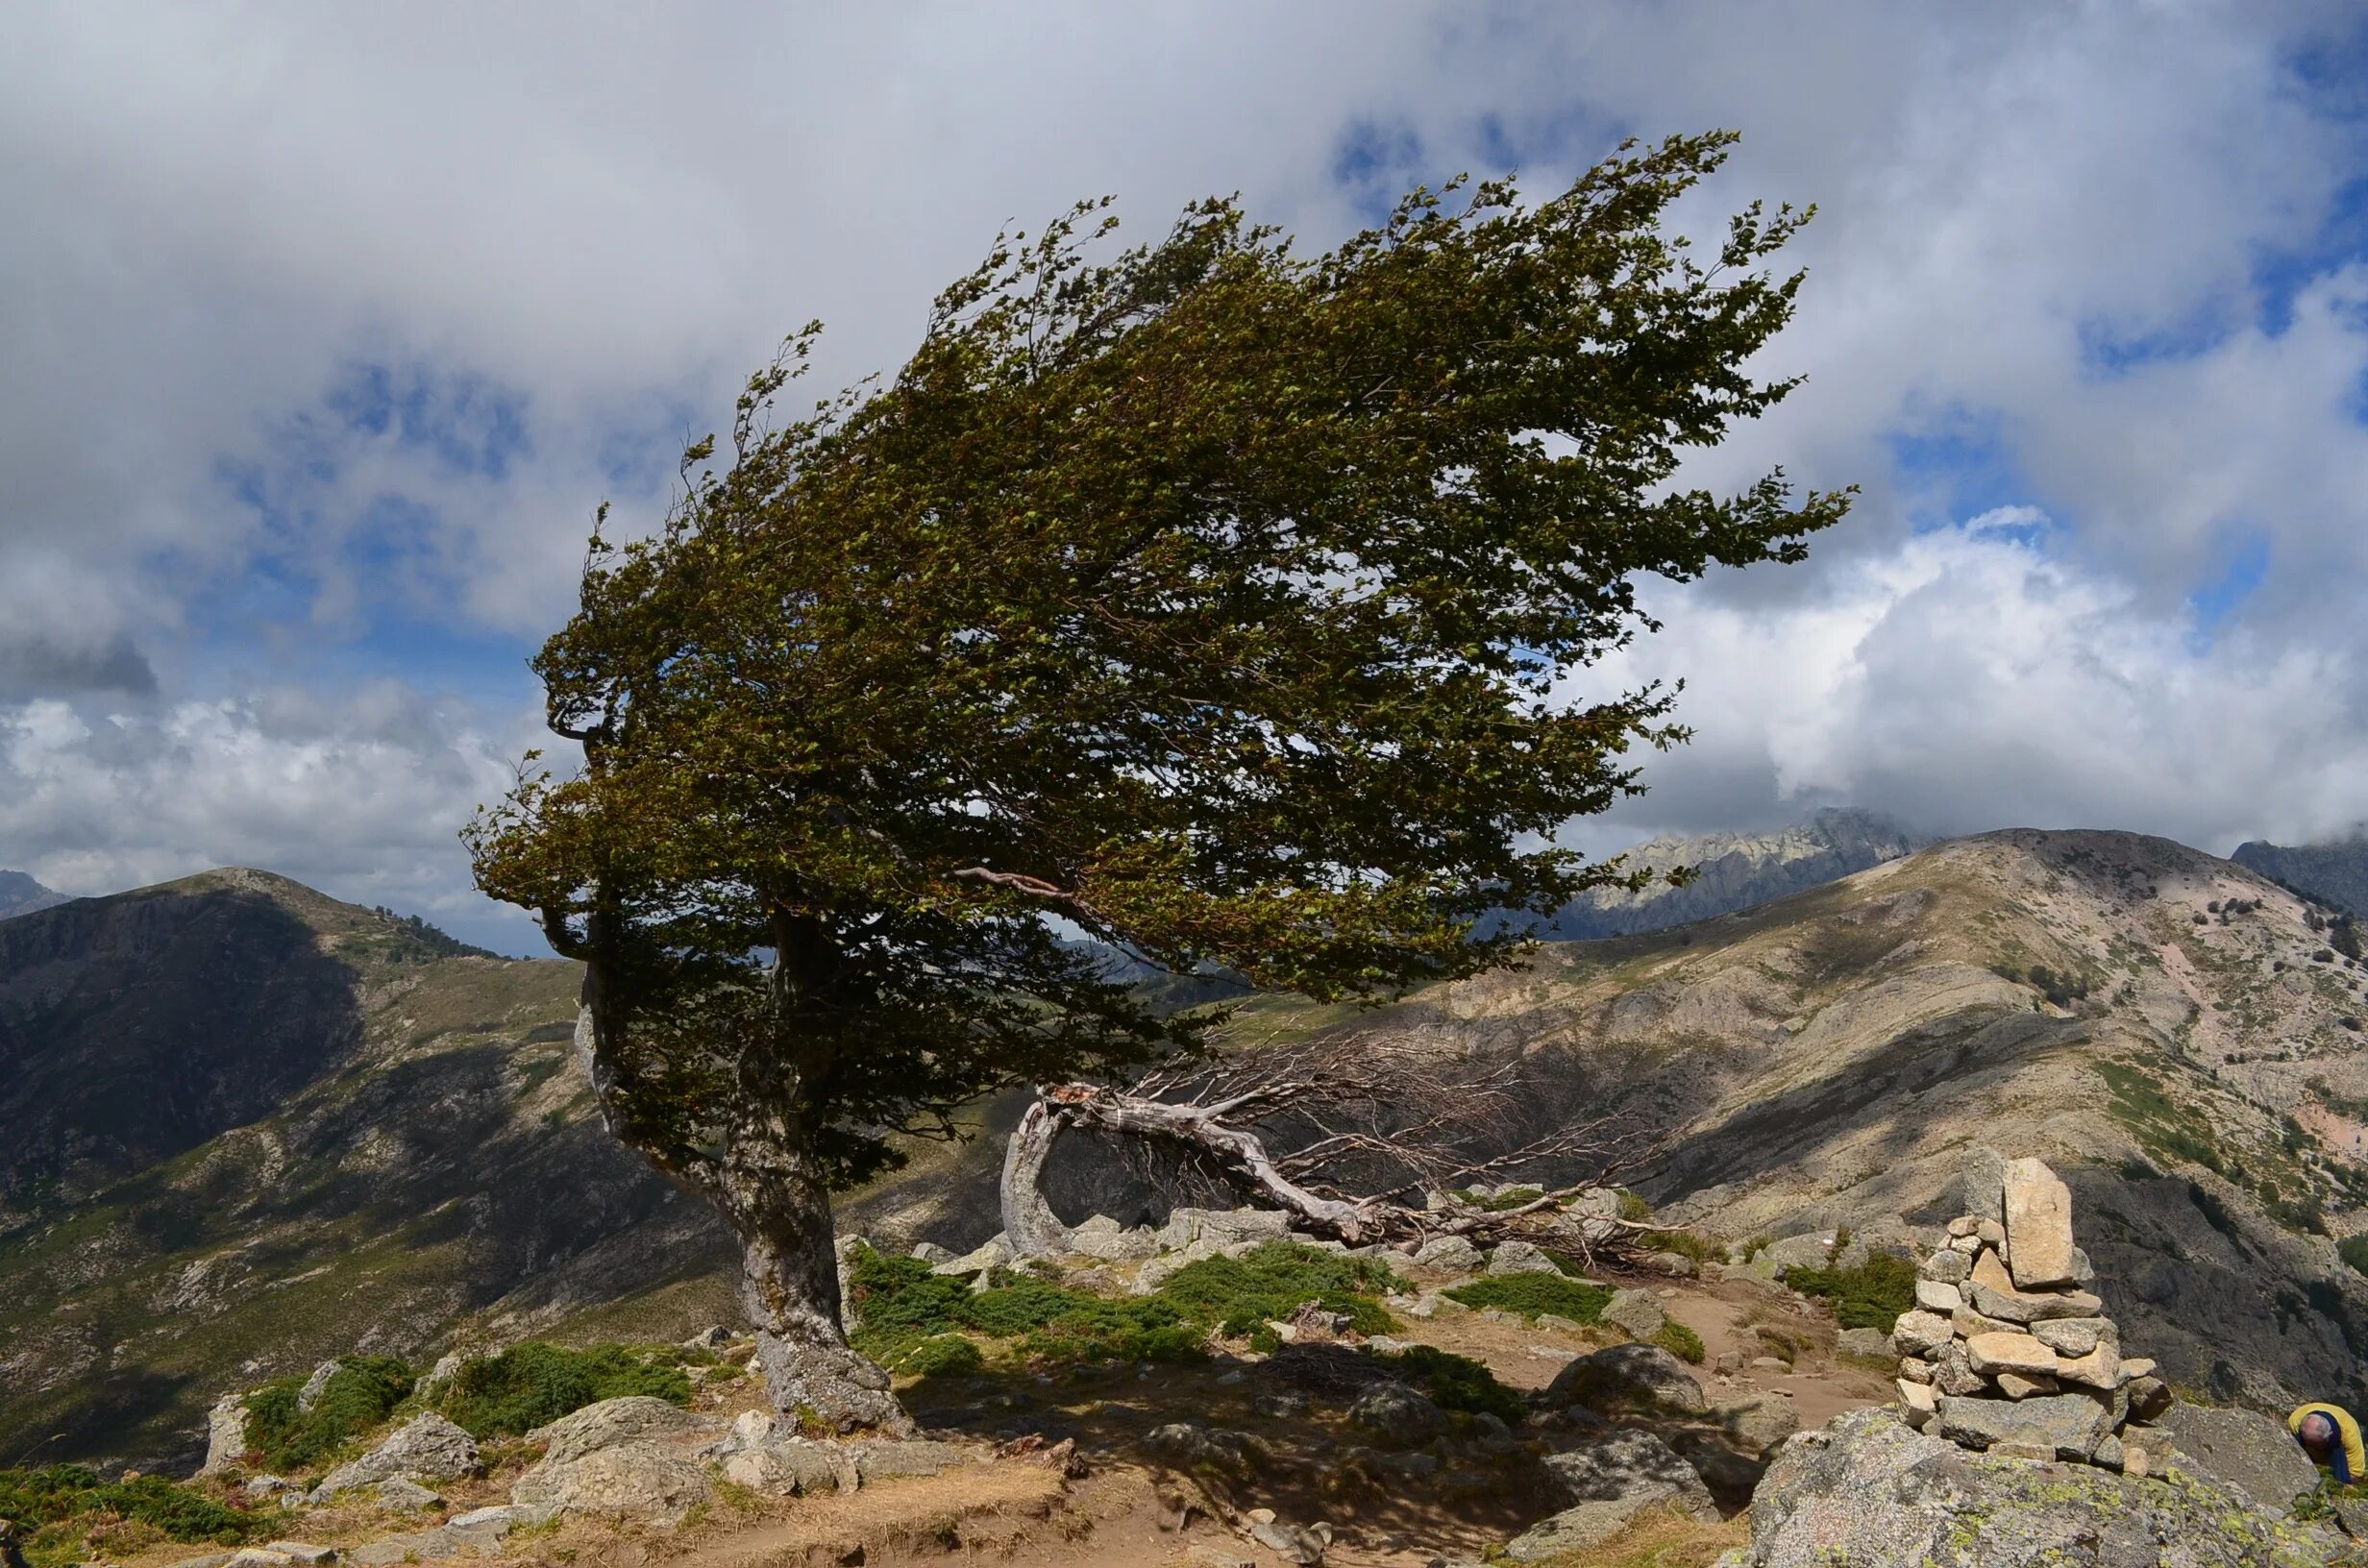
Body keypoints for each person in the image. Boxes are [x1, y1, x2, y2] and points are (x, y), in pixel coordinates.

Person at [2291, 1401, 2367, 1484]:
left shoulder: (2350, 1435)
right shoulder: (2295, 1421)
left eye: (2317, 1444)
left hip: (2337, 1452)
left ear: (2330, 1433)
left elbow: (2355, 1473)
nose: (2316, 1448)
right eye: (2310, 1444)